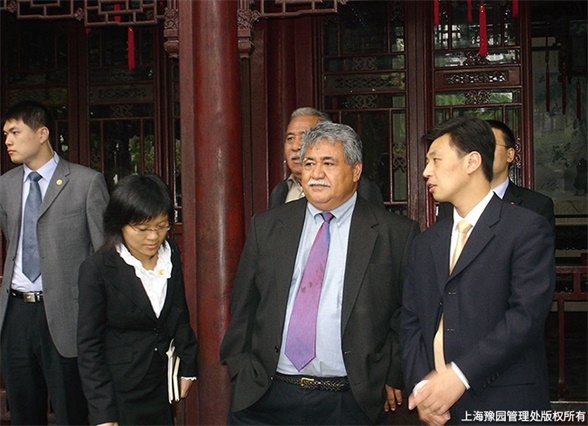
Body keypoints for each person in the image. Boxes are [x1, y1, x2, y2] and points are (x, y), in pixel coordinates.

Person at [221, 121, 420, 424]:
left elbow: (407, 311)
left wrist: (392, 372)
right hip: (266, 395)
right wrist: (240, 369)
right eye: (309, 163)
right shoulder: (268, 226)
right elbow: (244, 305)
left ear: (356, 170)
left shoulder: (395, 233)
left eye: (328, 163)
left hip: (349, 401)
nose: (316, 174)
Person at [402, 117, 555, 425]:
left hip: (503, 402)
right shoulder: (426, 242)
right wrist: (422, 389)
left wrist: (459, 375)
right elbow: (411, 320)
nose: (426, 171)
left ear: (472, 161)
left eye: (436, 160)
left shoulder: (525, 229)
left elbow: (525, 316)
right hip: (439, 409)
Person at [0, 100, 109, 425]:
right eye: (5, 134)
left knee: (70, 412)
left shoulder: (86, 182)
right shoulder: (5, 185)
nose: (7, 141)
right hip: (15, 313)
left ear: (42, 133)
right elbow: (12, 238)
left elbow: (103, 255)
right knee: (23, 413)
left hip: (66, 314)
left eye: (15, 132)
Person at [77, 174, 198, 425]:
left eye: (161, 226)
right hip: (120, 389)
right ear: (119, 224)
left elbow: (178, 311)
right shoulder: (98, 269)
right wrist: (103, 412)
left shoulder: (170, 254)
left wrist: (188, 367)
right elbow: (89, 346)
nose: (153, 237)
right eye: (142, 229)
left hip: (160, 383)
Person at [437, 120, 555, 233]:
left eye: (489, 146)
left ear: (510, 155)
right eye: (476, 147)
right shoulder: (450, 205)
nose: (481, 153)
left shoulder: (536, 205)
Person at [269, 107, 384, 209]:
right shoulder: (280, 191)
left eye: (305, 137)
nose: (296, 146)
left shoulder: (363, 189)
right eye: (290, 138)